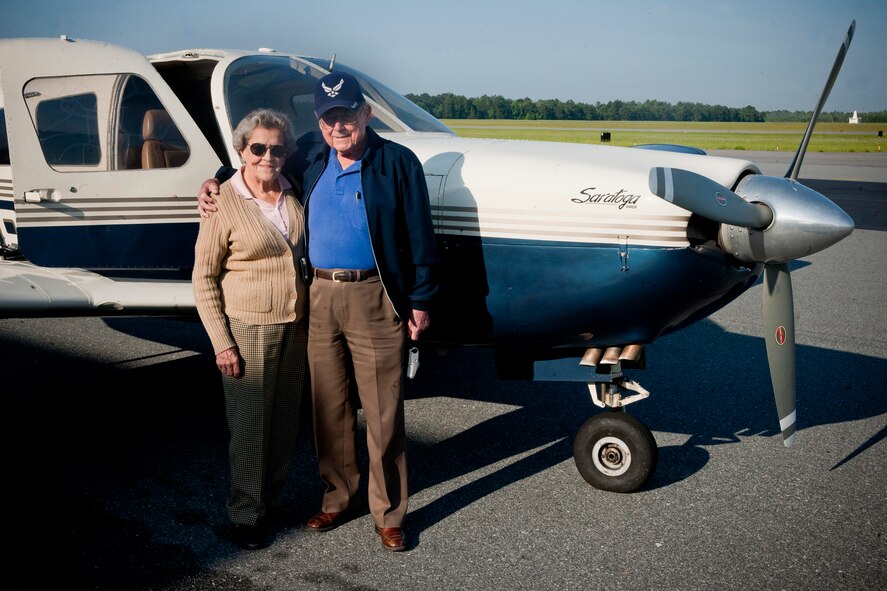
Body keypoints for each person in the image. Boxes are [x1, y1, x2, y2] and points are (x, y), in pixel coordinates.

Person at [198, 72, 440, 552]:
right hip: (319, 298)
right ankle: (337, 497)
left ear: (365, 115)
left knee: (383, 412)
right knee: (328, 410)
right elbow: (258, 164)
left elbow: (420, 235)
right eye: (330, 118)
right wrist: (217, 179)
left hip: (375, 297)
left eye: (347, 115)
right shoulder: (309, 155)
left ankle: (389, 512)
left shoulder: (397, 163)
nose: (339, 126)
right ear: (319, 122)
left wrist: (421, 299)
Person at [192, 108, 308, 551]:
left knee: (283, 424)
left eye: (277, 148)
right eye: (258, 147)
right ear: (241, 150)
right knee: (250, 428)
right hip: (247, 328)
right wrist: (222, 342)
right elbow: (203, 278)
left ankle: (272, 501)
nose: (268, 156)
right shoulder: (222, 200)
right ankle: (245, 514)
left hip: (294, 326)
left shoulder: (291, 192)